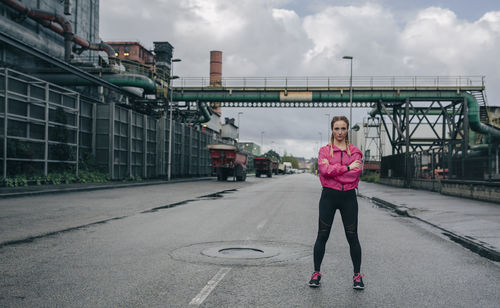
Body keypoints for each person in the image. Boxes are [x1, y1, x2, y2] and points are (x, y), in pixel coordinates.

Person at [308, 115, 364, 289]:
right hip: (328, 197)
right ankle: (316, 273)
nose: (340, 132)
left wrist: (335, 172)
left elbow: (355, 174)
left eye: (343, 128)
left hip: (348, 197)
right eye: (336, 128)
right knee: (322, 236)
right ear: (332, 130)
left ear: (347, 130)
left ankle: (357, 275)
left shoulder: (355, 151)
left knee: (352, 236)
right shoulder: (324, 151)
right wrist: (347, 168)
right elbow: (324, 171)